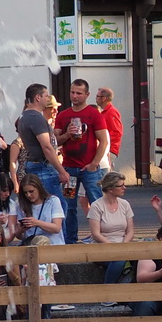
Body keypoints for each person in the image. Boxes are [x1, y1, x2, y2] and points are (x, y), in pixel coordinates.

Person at [54, 78, 110, 244]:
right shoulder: (63, 116)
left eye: (79, 93)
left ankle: (101, 238)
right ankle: (70, 241)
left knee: (97, 203)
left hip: (89, 170)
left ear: (87, 95)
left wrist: (94, 163)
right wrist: (67, 135)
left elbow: (103, 141)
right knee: (68, 206)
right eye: (72, 92)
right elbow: (55, 141)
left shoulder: (94, 114)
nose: (75, 96)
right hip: (69, 169)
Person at [15, 83, 72, 225]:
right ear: (38, 97)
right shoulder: (35, 117)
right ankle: (58, 243)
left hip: (35, 165)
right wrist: (62, 171)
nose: (48, 98)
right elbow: (46, 146)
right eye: (46, 95)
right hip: (42, 167)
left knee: (45, 207)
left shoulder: (24, 116)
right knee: (56, 207)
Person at [87, 170, 136, 287]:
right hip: (102, 246)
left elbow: (130, 231)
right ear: (110, 189)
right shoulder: (96, 206)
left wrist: (124, 244)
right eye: (121, 186)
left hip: (123, 245)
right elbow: (96, 234)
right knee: (119, 260)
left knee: (139, 259)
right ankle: (108, 291)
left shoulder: (125, 204)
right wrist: (113, 246)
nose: (125, 188)